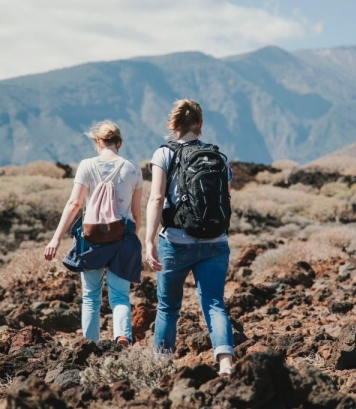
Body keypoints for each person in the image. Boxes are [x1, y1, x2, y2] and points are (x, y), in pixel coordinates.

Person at [145, 99, 235, 377]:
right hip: (216, 242)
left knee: (168, 308)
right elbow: (226, 198)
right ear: (200, 124)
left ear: (174, 125)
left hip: (175, 242)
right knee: (214, 303)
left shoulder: (164, 154)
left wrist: (148, 240)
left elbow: (157, 198)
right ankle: (226, 363)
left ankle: (162, 368)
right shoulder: (219, 157)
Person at [44, 121, 143, 347]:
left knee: (90, 297)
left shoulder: (87, 165)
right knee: (119, 296)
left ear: (97, 142)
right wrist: (131, 239)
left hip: (92, 238)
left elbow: (74, 204)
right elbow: (137, 214)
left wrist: (56, 238)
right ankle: (122, 337)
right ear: (119, 142)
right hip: (123, 236)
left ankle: (89, 345)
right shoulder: (133, 168)